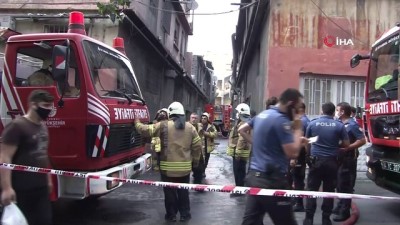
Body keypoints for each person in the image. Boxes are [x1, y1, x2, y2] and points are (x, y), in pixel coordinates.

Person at [239, 88, 307, 225]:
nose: (298, 113)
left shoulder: (262, 114)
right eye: (298, 109)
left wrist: (256, 143)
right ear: (290, 105)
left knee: (251, 221)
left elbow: (242, 129)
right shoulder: (281, 121)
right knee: (286, 222)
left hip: (255, 176)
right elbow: (293, 153)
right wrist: (298, 127)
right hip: (272, 180)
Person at [135, 102, 202, 222]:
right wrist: (195, 162)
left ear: (170, 113)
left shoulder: (162, 125)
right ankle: (184, 215)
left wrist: (136, 122)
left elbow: (144, 130)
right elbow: (198, 146)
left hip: (167, 169)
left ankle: (171, 215)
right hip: (185, 169)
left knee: (169, 192)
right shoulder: (190, 127)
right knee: (183, 192)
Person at [0, 89, 55, 225]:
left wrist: (48, 180)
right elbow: (5, 158)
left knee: (44, 220)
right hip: (22, 188)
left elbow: (43, 153)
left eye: (51, 106)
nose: (49, 109)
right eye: (46, 106)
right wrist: (7, 188)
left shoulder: (42, 126)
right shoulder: (17, 126)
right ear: (33, 105)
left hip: (40, 187)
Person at [303, 102, 350, 225]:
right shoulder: (339, 126)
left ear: (322, 111)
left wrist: (308, 156)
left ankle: (309, 219)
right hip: (331, 162)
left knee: (312, 190)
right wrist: (335, 143)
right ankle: (326, 219)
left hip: (316, 161)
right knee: (328, 191)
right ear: (334, 112)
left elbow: (306, 142)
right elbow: (346, 145)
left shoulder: (312, 123)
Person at [332, 102, 366, 222]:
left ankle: (345, 211)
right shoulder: (340, 123)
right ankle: (340, 205)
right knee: (339, 184)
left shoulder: (352, 125)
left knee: (345, 185)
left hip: (348, 159)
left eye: (337, 110)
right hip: (339, 159)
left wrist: (349, 147)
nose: (336, 112)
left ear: (342, 112)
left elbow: (362, 140)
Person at [289, 102, 310, 212]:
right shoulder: (306, 120)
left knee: (297, 179)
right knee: (297, 178)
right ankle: (296, 201)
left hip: (298, 154)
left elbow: (300, 141)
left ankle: (298, 203)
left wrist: (294, 157)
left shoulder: (301, 121)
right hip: (301, 154)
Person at [227, 103, 251, 197]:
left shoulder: (243, 124)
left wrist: (237, 153)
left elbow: (242, 139)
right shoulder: (244, 122)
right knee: (240, 171)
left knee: (238, 172)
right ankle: (240, 188)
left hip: (239, 153)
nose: (236, 114)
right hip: (240, 152)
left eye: (238, 112)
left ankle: (239, 190)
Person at [189, 112, 206, 185]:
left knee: (198, 172)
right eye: (192, 118)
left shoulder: (200, 127)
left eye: (195, 118)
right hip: (188, 153)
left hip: (199, 153)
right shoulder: (186, 127)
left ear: (198, 119)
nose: (194, 119)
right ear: (190, 119)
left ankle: (197, 185)